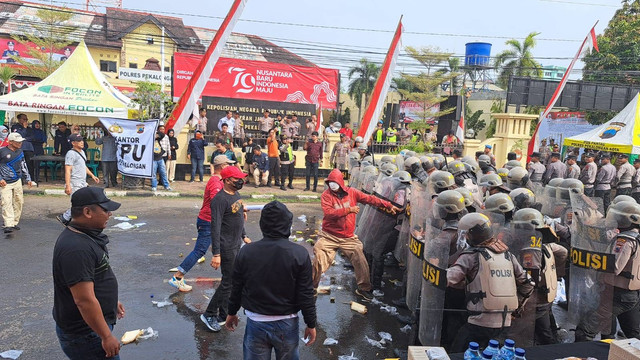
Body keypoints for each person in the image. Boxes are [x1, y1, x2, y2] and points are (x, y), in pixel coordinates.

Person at [225, 201, 317, 358]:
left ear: (263, 225)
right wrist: (311, 323)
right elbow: (306, 293)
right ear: (288, 224)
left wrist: (231, 312)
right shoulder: (299, 254)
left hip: (256, 323)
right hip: (287, 324)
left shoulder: (247, 252)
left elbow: (237, 287)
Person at [52, 187, 124, 359]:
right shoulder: (76, 249)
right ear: (87, 212)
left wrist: (111, 301)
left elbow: (94, 277)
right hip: (86, 335)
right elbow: (84, 300)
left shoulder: (84, 236)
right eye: (105, 210)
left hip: (90, 329)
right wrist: (106, 336)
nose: (110, 214)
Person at [448, 213, 534, 352]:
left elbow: (449, 278)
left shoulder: (471, 256)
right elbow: (529, 283)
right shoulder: (508, 255)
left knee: (457, 353)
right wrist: (516, 309)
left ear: (471, 235)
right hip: (505, 324)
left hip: (478, 322)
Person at [314, 169, 400, 301]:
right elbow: (329, 213)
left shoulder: (352, 193)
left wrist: (388, 205)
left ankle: (364, 288)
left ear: (341, 183)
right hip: (329, 235)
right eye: (330, 182)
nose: (332, 185)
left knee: (360, 259)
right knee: (320, 259)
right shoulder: (326, 196)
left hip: (348, 237)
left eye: (334, 182)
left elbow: (370, 199)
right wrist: (349, 210)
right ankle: (310, 287)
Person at [575, 200, 640, 341]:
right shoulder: (635, 237)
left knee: (585, 330)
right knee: (634, 335)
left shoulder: (625, 240)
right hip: (630, 293)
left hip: (617, 294)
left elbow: (614, 267)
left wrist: (592, 261)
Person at [169, 155, 235, 292]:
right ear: (222, 166)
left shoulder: (219, 180)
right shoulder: (216, 182)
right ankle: (178, 277)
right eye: (228, 165)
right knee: (200, 251)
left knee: (224, 248)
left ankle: (230, 277)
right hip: (208, 222)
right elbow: (218, 203)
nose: (230, 167)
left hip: (213, 221)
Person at [201, 166, 251, 332]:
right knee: (228, 282)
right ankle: (209, 313)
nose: (240, 181)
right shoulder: (219, 200)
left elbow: (238, 218)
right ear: (228, 180)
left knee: (232, 281)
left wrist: (244, 235)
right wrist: (216, 253)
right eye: (237, 178)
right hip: (226, 246)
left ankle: (224, 313)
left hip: (236, 243)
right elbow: (215, 227)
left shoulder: (236, 194)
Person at [58, 134, 99, 226]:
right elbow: (68, 170)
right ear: (73, 143)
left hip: (82, 182)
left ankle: (66, 218)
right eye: (79, 141)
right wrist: (68, 185)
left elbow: (83, 166)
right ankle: (66, 218)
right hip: (74, 183)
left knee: (82, 203)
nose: (81, 142)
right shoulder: (71, 154)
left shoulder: (82, 152)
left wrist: (92, 175)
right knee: (79, 204)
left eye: (82, 140)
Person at [0, 132, 32, 233]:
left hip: (17, 180)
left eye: (20, 142)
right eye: (17, 142)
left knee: (19, 201)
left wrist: (28, 179)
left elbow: (23, 165)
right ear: (10, 142)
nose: (20, 144)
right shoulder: (2, 152)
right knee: (6, 202)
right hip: (5, 182)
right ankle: (8, 224)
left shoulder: (20, 152)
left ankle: (14, 222)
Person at [12, 114, 35, 179]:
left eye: (26, 119)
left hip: (28, 148)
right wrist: (24, 128)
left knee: (30, 164)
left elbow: (32, 137)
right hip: (19, 148)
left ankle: (31, 178)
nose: (25, 121)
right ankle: (20, 178)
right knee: (19, 164)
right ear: (19, 119)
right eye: (24, 119)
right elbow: (19, 135)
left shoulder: (29, 129)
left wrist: (24, 139)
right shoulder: (15, 127)